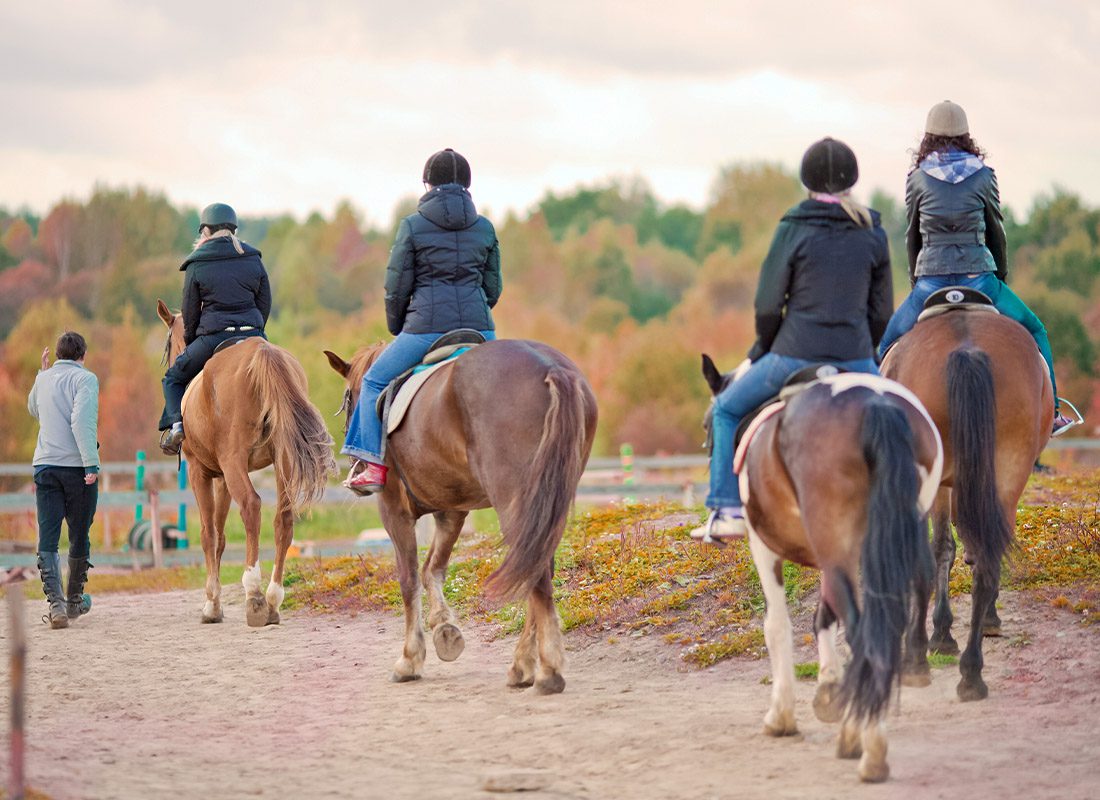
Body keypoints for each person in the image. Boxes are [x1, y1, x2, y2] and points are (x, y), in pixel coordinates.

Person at [692, 138, 892, 543]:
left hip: (791, 355)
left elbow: (768, 304)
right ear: (852, 180)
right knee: (903, 419)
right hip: (855, 358)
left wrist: (763, 349)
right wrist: (863, 352)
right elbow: (881, 311)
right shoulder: (873, 231)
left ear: (807, 181)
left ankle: (726, 511)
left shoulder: (792, 228)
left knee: (725, 410)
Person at [877, 100, 1076, 436]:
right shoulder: (984, 176)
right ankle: (1054, 413)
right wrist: (998, 277)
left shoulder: (917, 178)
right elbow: (996, 230)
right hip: (980, 279)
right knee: (1037, 330)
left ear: (928, 137)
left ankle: (874, 420)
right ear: (966, 136)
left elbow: (913, 236)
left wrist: (918, 281)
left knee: (883, 347)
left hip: (930, 284)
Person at [342, 148, 501, 494]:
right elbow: (493, 288)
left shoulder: (413, 226)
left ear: (427, 184)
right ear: (468, 185)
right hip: (479, 328)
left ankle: (371, 465)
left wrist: (398, 326)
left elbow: (396, 286)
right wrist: (475, 311)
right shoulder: (485, 227)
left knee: (371, 383)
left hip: (425, 329)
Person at [158, 203, 271, 454]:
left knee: (173, 377)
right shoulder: (253, 257)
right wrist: (256, 331)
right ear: (233, 229)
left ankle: (176, 428)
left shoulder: (197, 262)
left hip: (213, 337)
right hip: (254, 335)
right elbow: (265, 302)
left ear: (206, 230)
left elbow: (189, 312)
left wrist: (192, 340)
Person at [28, 331, 100, 628]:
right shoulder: (86, 379)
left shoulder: (43, 379)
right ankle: (72, 600)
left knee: (48, 536)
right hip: (75, 468)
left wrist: (42, 375)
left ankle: (56, 606)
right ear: (82, 355)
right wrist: (91, 464)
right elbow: (80, 420)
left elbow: (34, 408)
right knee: (78, 533)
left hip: (44, 466)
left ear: (57, 355)